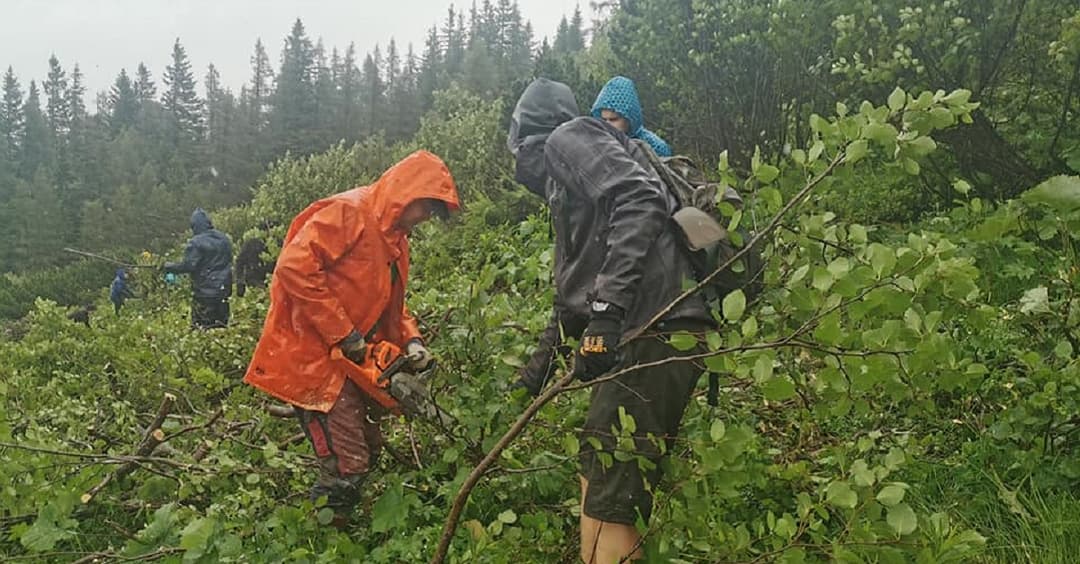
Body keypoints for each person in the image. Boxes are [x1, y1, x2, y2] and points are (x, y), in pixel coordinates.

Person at [508, 78, 714, 563]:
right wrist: (530, 380)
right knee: (602, 471)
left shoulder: (566, 139)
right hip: (654, 332)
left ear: (522, 136)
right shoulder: (574, 191)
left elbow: (641, 199)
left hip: (655, 329)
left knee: (611, 487)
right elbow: (570, 300)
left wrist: (607, 315)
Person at [243, 150, 459, 526]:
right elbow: (294, 267)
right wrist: (342, 331)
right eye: (426, 207)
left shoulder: (396, 240)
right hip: (312, 357)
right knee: (349, 461)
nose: (426, 217)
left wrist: (412, 342)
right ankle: (323, 539)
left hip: (346, 360)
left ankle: (341, 528)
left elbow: (392, 306)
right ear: (407, 194)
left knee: (368, 448)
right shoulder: (349, 213)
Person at [164, 208, 234, 329]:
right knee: (222, 327)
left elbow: (188, 265)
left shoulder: (195, 242)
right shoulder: (224, 239)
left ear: (194, 226)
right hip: (224, 290)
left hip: (204, 294)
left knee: (200, 328)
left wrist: (168, 267)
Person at [591, 75, 674, 157]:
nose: (607, 125)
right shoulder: (598, 145)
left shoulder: (654, 147)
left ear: (629, 118)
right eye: (603, 120)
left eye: (613, 119)